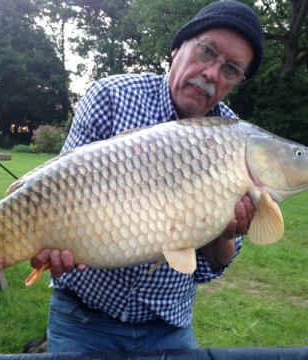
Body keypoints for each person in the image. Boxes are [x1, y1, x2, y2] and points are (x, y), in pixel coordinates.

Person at [31, 0, 263, 353]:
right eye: (206, 51)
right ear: (177, 47)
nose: (212, 73)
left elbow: (215, 265)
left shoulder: (239, 142)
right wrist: (49, 242)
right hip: (82, 317)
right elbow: (59, 192)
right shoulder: (111, 96)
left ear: (237, 81)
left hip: (167, 326)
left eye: (230, 69)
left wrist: (226, 231)